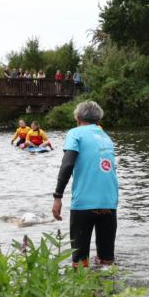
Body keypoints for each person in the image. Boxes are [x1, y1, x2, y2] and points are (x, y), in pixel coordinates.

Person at [52, 101, 118, 268]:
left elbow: (67, 165)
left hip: (84, 205)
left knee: (80, 264)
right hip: (109, 203)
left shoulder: (75, 133)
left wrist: (58, 196)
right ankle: (108, 292)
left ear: (78, 118)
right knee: (107, 263)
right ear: (99, 120)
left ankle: (84, 292)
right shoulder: (106, 137)